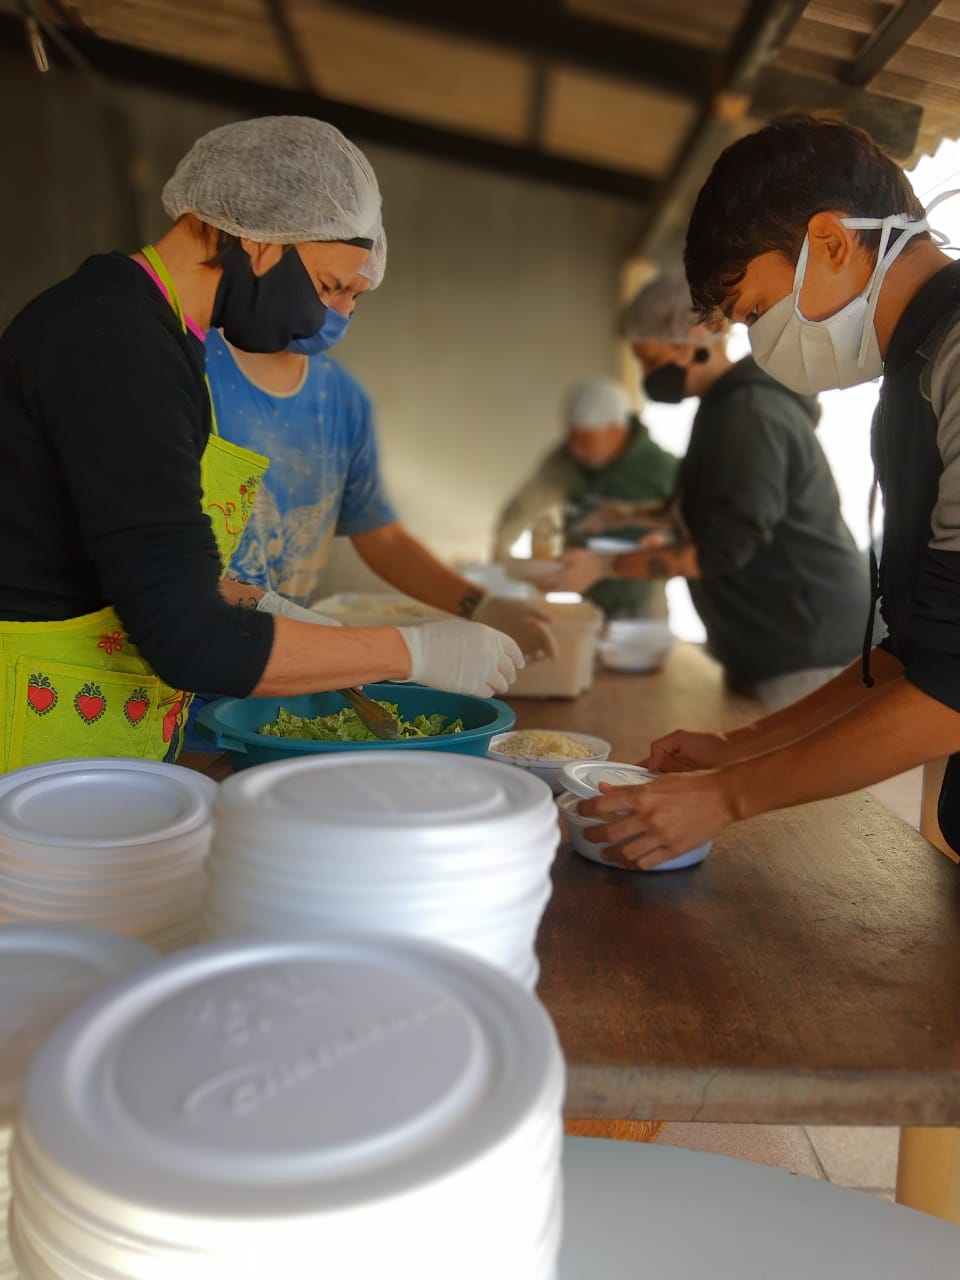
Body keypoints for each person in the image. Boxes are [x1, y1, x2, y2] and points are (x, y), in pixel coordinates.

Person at [0, 116, 522, 771]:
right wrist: (411, 651)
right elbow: (189, 639)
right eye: (331, 286)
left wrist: (265, 605)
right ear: (263, 237)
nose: (327, 316)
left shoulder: (159, 334)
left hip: (89, 728)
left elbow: (129, 549)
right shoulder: (118, 343)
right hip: (30, 737)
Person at [576, 115, 960, 867]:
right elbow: (915, 654)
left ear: (829, 242)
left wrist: (727, 794)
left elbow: (953, 680)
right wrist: (737, 745)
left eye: (753, 309)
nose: (755, 337)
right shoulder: (920, 367)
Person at [204, 234, 556, 661]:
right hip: (177, 674)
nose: (342, 311)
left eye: (357, 295)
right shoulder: (195, 368)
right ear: (267, 251)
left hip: (275, 667)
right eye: (330, 285)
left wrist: (481, 606)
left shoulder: (343, 400)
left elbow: (383, 539)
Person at [551, 272, 869, 708]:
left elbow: (723, 547)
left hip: (806, 646)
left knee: (799, 770)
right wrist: (622, 517)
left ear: (692, 339)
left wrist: (606, 564)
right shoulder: (722, 408)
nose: (646, 374)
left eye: (649, 358)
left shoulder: (748, 415)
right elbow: (702, 508)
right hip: (775, 640)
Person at [494, 377, 677, 619]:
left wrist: (663, 540)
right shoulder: (566, 458)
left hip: (642, 596)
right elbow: (528, 501)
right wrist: (502, 545)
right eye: (572, 438)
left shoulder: (660, 466)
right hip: (585, 594)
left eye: (586, 440)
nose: (576, 448)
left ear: (616, 430)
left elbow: (689, 526)